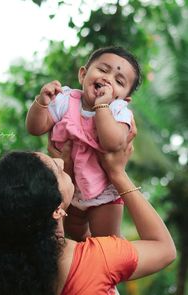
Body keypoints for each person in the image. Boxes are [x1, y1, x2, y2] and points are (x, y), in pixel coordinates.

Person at [0, 142, 176, 295]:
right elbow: (164, 249)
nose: (60, 162)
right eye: (56, 169)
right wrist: (117, 173)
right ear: (56, 211)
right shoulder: (97, 260)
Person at [26, 46, 142, 240]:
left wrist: (102, 106)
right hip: (68, 188)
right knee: (76, 234)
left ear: (124, 98)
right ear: (83, 74)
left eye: (119, 81)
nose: (107, 79)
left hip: (103, 192)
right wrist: (42, 102)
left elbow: (112, 143)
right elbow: (36, 128)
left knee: (107, 243)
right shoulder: (66, 100)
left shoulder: (118, 112)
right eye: (103, 70)